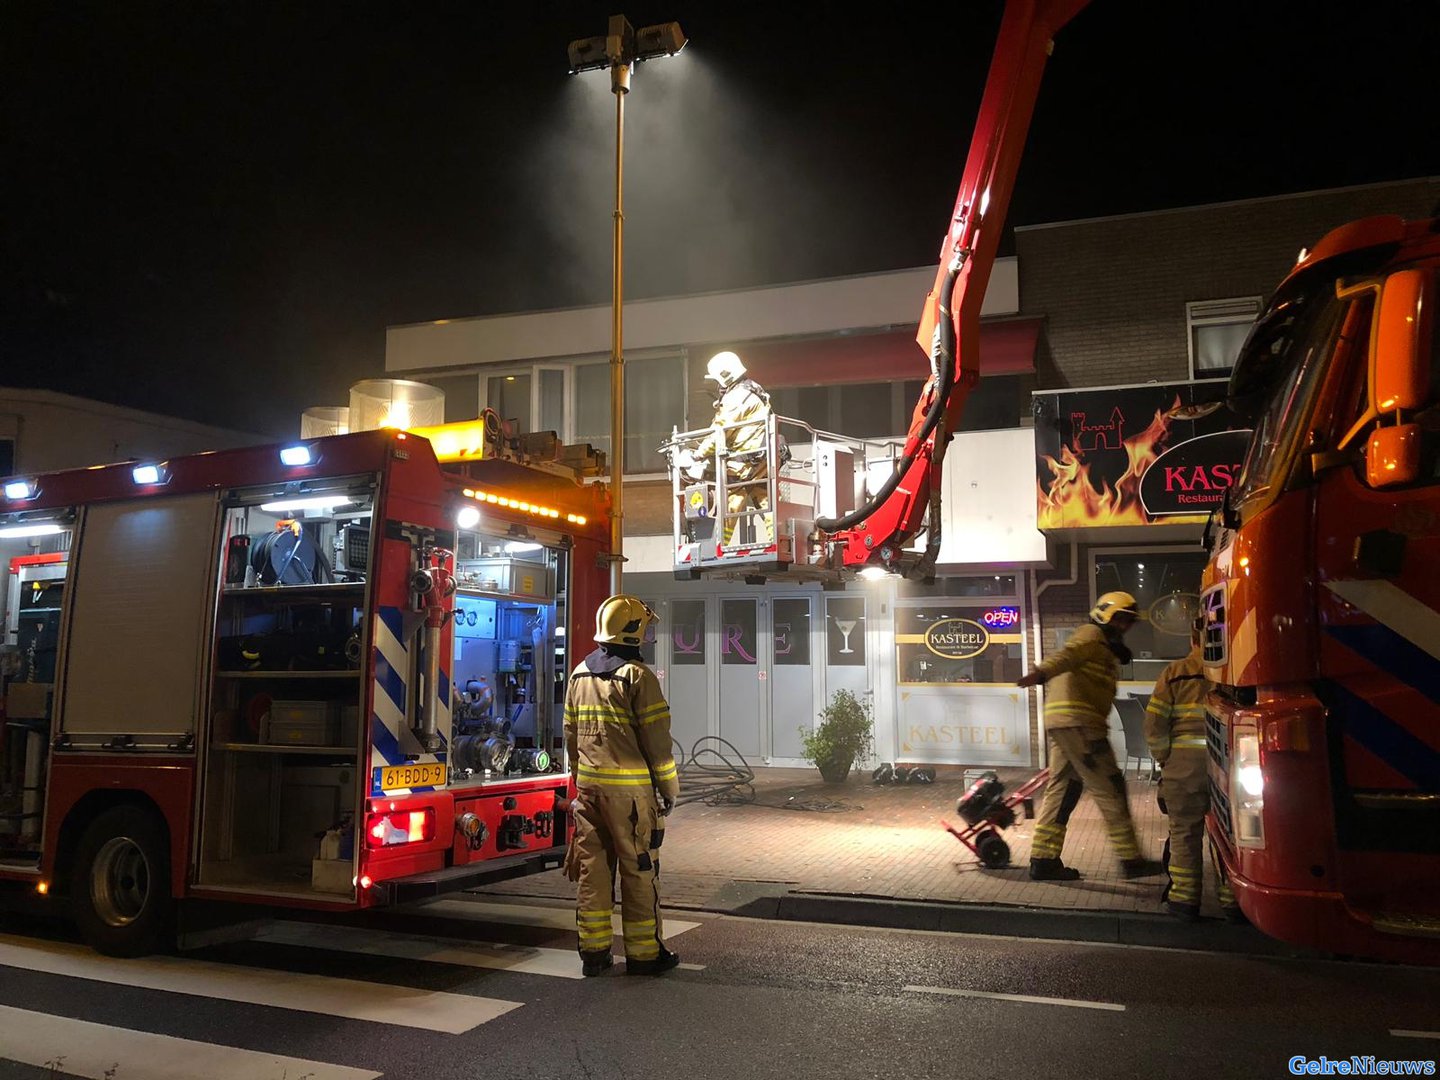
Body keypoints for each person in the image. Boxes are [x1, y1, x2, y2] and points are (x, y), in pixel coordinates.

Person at [563, 595, 681, 976]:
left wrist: (580, 779)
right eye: (644, 628)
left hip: (589, 793)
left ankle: (594, 954)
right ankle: (645, 955)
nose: (648, 636)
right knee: (638, 872)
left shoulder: (579, 674)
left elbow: (570, 735)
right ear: (631, 631)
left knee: (592, 872)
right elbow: (656, 740)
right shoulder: (637, 677)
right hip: (630, 797)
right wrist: (669, 788)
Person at [1016, 591, 1164, 882]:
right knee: (1110, 788)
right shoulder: (1091, 634)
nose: (1124, 627)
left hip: (1066, 725)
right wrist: (1041, 673)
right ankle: (1131, 859)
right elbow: (1068, 655)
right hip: (1081, 726)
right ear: (1104, 615)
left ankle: (1043, 860)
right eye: (1120, 620)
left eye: (1128, 622)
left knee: (1062, 790)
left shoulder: (1103, 648)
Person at [1146, 621, 1243, 922]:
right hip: (1228, 771)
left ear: (1193, 639)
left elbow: (1154, 726)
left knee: (1184, 834)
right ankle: (1233, 902)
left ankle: (1184, 900)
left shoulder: (1175, 673)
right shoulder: (1234, 673)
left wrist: (1165, 759)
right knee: (1228, 837)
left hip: (1183, 770)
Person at [684, 351, 774, 545]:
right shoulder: (753, 389)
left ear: (725, 375)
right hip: (761, 459)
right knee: (769, 503)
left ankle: (718, 545)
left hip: (743, 463)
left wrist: (698, 454)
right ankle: (779, 540)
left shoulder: (736, 397)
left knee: (728, 503)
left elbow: (721, 432)